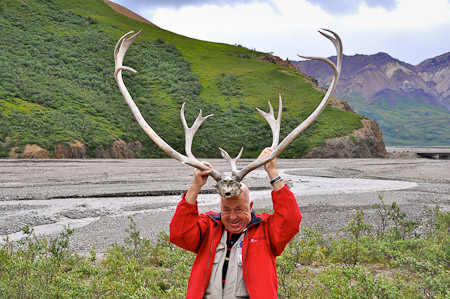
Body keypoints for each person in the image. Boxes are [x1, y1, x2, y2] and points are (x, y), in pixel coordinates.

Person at [170, 148, 302, 299]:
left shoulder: (266, 230)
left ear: (251, 206)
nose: (232, 217)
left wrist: (272, 172)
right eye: (226, 209)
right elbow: (179, 233)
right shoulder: (209, 227)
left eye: (239, 209)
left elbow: (290, 220)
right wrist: (195, 186)